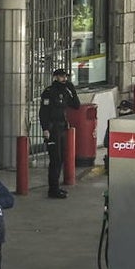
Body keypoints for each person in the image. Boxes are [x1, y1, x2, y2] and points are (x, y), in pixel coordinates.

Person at [38, 68, 80, 199]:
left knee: (60, 158)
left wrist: (72, 90)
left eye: (65, 77)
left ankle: (56, 187)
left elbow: (76, 105)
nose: (64, 79)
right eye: (62, 77)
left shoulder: (66, 91)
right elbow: (43, 112)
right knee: (55, 159)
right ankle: (53, 189)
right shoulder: (49, 92)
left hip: (62, 128)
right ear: (55, 77)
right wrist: (45, 129)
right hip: (52, 129)